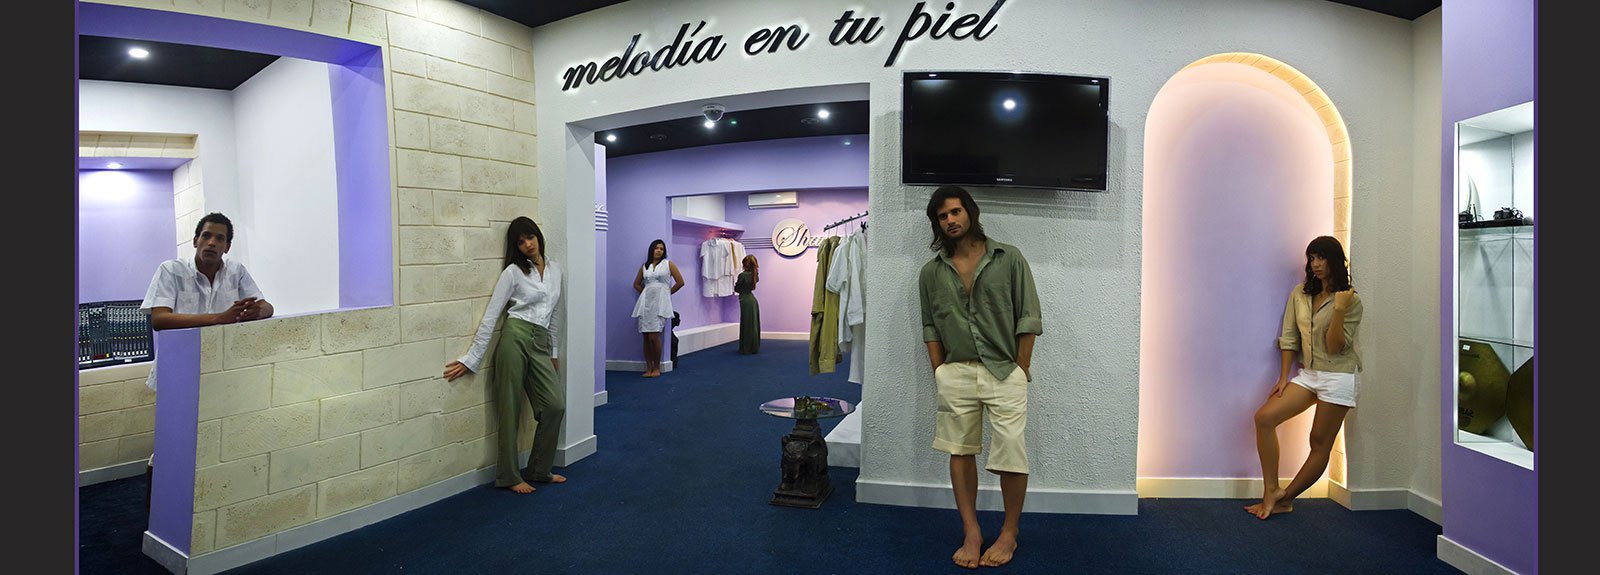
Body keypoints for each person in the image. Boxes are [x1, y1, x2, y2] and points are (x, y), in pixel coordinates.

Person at [917, 186, 1042, 569]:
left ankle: (1009, 533)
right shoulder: (931, 272)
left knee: (1010, 452)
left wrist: (1021, 367)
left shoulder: (1009, 258)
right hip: (955, 373)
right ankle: (971, 531)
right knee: (960, 450)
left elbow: (1029, 316)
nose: (950, 220)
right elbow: (930, 326)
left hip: (1005, 371)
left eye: (955, 212)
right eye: (942, 216)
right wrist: (940, 371)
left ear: (970, 212)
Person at [139, 212, 274, 510]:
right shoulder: (171, 271)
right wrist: (220, 319)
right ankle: (159, 511)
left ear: (227, 246)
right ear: (196, 240)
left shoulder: (235, 271)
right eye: (207, 236)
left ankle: (206, 504)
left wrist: (256, 312)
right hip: (177, 376)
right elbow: (160, 320)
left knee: (214, 442)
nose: (212, 243)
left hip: (220, 374)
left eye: (220, 238)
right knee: (172, 446)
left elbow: (267, 306)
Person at [443, 216, 566, 494]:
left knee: (555, 406)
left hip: (540, 342)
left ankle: (539, 469)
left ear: (538, 236)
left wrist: (554, 352)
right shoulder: (513, 272)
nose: (527, 245)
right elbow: (492, 315)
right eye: (520, 242)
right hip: (515, 337)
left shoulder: (556, 270)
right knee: (509, 408)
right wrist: (471, 358)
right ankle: (510, 476)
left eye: (530, 237)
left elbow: (554, 314)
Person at [1247, 235, 1363, 519]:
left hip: (1339, 375)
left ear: (1335, 261)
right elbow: (1289, 338)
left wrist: (1338, 308)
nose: (1316, 264)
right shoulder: (1300, 293)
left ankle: (1287, 497)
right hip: (1309, 374)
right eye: (1312, 258)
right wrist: (1284, 377)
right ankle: (1271, 490)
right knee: (1264, 418)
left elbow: (1336, 346)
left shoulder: (1351, 301)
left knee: (1318, 442)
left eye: (1322, 258)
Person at [632, 239, 684, 377]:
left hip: (660, 304)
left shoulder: (668, 264)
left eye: (661, 248)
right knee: (645, 337)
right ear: (652, 250)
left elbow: (680, 282)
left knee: (654, 337)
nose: (659, 250)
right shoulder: (645, 266)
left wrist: (667, 293)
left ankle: (656, 368)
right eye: (656, 248)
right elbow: (636, 284)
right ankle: (648, 368)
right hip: (645, 304)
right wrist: (645, 292)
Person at [734, 254, 761, 354]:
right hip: (752, 300)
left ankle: (746, 347)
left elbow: (737, 288)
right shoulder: (755, 275)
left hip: (745, 300)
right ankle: (753, 347)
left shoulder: (743, 275)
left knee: (746, 324)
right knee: (752, 324)